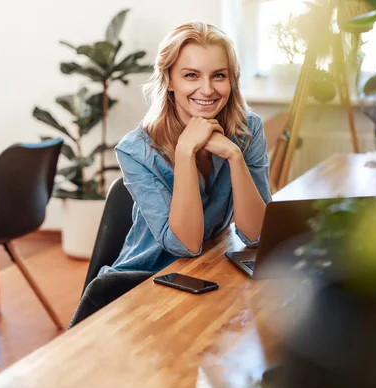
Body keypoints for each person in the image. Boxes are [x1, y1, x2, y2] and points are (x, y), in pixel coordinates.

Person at [69, 21, 271, 327]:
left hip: (200, 277)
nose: (207, 89)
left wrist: (233, 155)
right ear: (169, 80)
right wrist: (186, 151)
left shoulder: (247, 130)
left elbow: (257, 235)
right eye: (191, 75)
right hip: (138, 284)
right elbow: (186, 244)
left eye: (219, 75)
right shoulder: (136, 150)